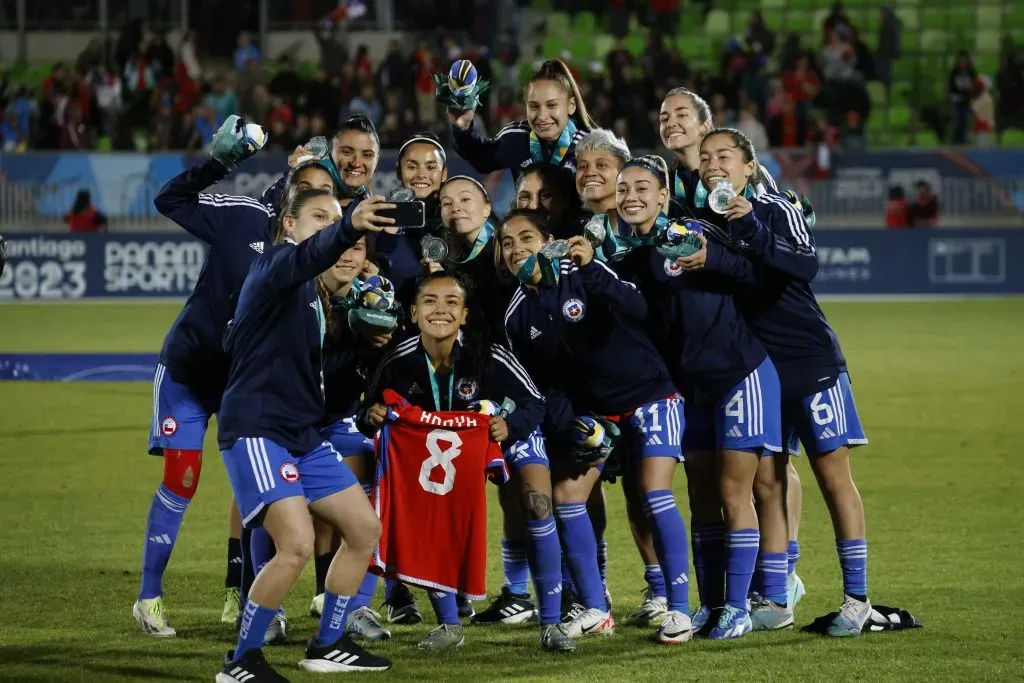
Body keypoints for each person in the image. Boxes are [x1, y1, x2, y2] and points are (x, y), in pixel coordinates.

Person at [692, 128, 872, 638]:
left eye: (724, 156)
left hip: (810, 361)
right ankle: (776, 594)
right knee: (767, 480)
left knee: (834, 479)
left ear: (750, 166)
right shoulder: (704, 223)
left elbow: (804, 265)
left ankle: (856, 598)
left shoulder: (775, 208)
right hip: (758, 372)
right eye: (706, 159)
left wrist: (750, 226)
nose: (713, 165)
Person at [215, 187, 396, 683]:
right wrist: (351, 225)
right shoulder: (275, 266)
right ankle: (241, 661)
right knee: (295, 544)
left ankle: (328, 643)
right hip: (256, 428)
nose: (328, 226)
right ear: (288, 226)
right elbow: (312, 255)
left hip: (301, 432)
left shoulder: (311, 296)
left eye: (333, 218)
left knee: (363, 530)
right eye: (318, 217)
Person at [615, 155, 788, 638]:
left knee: (735, 491)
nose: (631, 196)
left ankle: (737, 606)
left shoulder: (690, 230)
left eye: (642, 188)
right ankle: (711, 604)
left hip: (740, 376)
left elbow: (752, 273)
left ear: (663, 195)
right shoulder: (633, 258)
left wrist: (711, 257)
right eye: (623, 188)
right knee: (701, 495)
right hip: (691, 389)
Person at [500, 209, 692, 644]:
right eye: (507, 244)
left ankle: (679, 611)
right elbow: (541, 383)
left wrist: (591, 269)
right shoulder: (515, 314)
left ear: (549, 239)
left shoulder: (582, 268)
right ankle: (596, 609)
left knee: (654, 492)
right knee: (568, 498)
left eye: (525, 238)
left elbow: (639, 306)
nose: (516, 250)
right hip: (596, 415)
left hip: (648, 394)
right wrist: (572, 425)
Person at [361, 272, 574, 652]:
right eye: (429, 301)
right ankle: (449, 624)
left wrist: (510, 427)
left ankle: (552, 623)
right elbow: (368, 408)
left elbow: (534, 403)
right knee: (430, 517)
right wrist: (372, 414)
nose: (439, 309)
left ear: (464, 316)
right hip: (442, 450)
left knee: (537, 505)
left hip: (504, 435)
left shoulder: (489, 354)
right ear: (412, 312)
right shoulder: (399, 360)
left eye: (451, 302)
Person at [660, 89, 806, 600]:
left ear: (706, 125)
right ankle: (744, 589)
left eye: (683, 115)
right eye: (664, 116)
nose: (672, 123)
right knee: (728, 478)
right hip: (707, 350)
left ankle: (782, 574)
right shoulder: (673, 185)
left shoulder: (745, 185)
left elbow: (775, 265)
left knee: (771, 469)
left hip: (761, 340)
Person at [135, 117, 278, 638]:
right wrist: (219, 162)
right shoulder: (243, 216)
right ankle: (149, 597)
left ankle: (238, 592)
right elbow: (168, 201)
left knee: (254, 483)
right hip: (190, 370)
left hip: (243, 381)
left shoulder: (317, 254)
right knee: (183, 478)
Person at [307, 238, 396, 647]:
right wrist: (358, 343)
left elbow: (388, 368)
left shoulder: (374, 298)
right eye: (340, 245)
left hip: (343, 419)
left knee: (359, 514)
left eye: (357, 248)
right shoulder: (299, 294)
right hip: (292, 423)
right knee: (281, 525)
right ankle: (260, 609)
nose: (347, 254)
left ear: (366, 258)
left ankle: (348, 605)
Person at [449, 59, 596, 184]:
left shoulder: (590, 148)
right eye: (534, 106)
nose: (542, 115)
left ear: (571, 106)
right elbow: (481, 158)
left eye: (551, 105)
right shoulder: (516, 137)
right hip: (529, 217)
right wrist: (463, 127)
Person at [378, 132, 449, 309]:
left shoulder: (457, 221)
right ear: (398, 172)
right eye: (412, 167)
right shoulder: (382, 224)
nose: (421, 174)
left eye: (431, 167)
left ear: (444, 173)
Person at [515, 162, 586, 238]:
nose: (534, 206)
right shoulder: (505, 244)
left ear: (565, 200)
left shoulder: (586, 241)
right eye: (525, 197)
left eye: (545, 196)